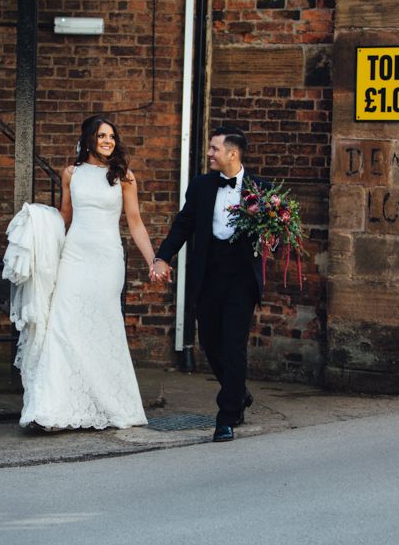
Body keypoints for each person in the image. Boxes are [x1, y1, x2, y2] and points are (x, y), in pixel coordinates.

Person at [17, 115, 157, 431]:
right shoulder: (71, 174)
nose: (108, 141)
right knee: (62, 325)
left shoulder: (124, 177)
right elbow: (64, 217)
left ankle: (108, 402)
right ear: (90, 139)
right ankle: (53, 409)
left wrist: (152, 260)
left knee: (102, 327)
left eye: (112, 136)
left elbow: (135, 223)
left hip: (107, 260)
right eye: (102, 136)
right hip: (75, 256)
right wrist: (36, 227)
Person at [151, 126, 265, 442]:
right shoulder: (201, 186)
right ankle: (238, 391)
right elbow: (184, 224)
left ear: (233, 153)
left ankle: (227, 417)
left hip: (241, 279)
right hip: (209, 276)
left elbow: (274, 237)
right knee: (211, 344)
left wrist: (273, 232)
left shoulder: (261, 188)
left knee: (234, 344)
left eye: (215, 148)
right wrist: (163, 257)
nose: (210, 153)